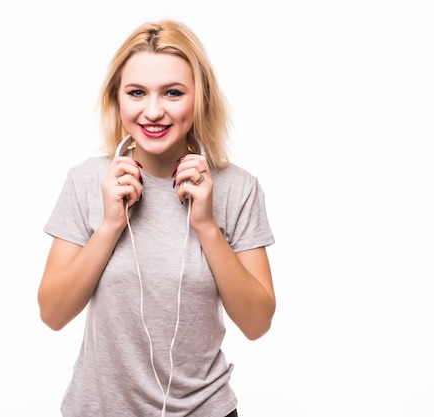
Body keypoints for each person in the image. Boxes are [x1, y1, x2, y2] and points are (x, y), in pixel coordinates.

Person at [37, 19, 276, 417]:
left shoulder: (238, 188)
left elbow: (257, 323)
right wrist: (111, 224)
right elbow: (52, 314)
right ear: (117, 98)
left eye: (173, 93)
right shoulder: (85, 182)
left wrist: (206, 226)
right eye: (136, 93)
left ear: (199, 98)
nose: (153, 111)